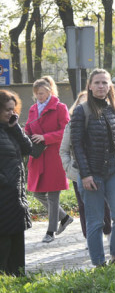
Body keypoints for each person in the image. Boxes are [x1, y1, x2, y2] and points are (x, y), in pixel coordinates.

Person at [71, 69, 115, 267]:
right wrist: (85, 175)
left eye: (105, 83)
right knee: (96, 222)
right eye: (97, 82)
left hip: (114, 170)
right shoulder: (82, 110)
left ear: (110, 86)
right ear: (89, 85)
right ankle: (99, 264)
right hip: (91, 173)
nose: (101, 86)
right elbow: (76, 145)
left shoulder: (114, 109)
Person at [26, 76, 72, 243]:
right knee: (37, 193)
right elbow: (28, 128)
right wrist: (27, 137)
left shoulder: (60, 108)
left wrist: (45, 137)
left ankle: (50, 231)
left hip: (54, 156)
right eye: (37, 94)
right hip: (38, 156)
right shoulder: (33, 109)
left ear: (50, 92)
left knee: (53, 195)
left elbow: (66, 131)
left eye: (43, 93)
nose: (40, 96)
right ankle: (64, 217)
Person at [62, 92, 111, 240]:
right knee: (84, 206)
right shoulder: (71, 125)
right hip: (79, 172)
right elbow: (64, 150)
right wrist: (70, 170)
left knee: (104, 204)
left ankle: (108, 231)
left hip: (102, 170)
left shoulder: (105, 120)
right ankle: (88, 237)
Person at [0, 90, 33, 276]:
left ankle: (18, 279)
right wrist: (4, 182)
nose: (11, 113)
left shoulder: (10, 129)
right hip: (3, 196)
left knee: (17, 244)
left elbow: (29, 149)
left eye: (13, 110)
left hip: (15, 197)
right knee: (3, 244)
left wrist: (16, 127)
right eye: (7, 110)